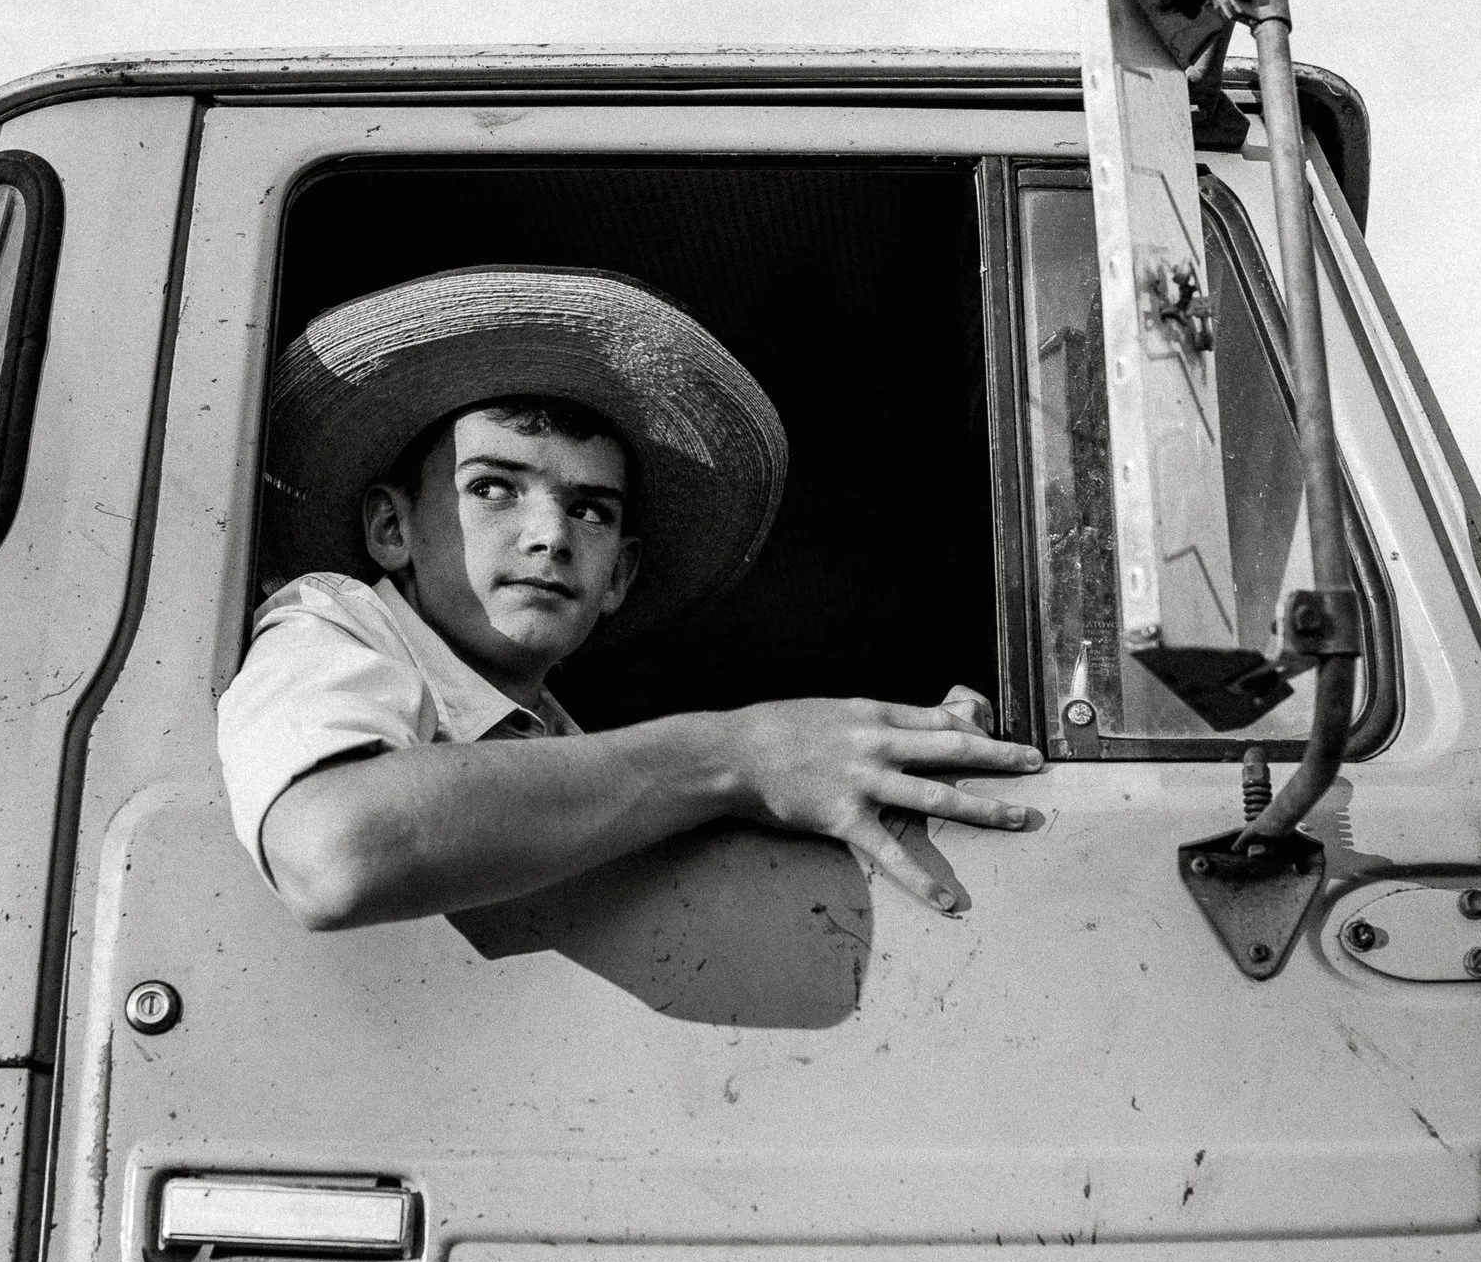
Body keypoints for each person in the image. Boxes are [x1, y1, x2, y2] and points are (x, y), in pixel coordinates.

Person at [217, 266, 1043, 931]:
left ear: (618, 572)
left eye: (590, 509)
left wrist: (887, 758)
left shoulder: (564, 745)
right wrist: (738, 753)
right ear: (392, 528)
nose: (551, 535)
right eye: (495, 489)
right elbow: (335, 850)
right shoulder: (331, 621)